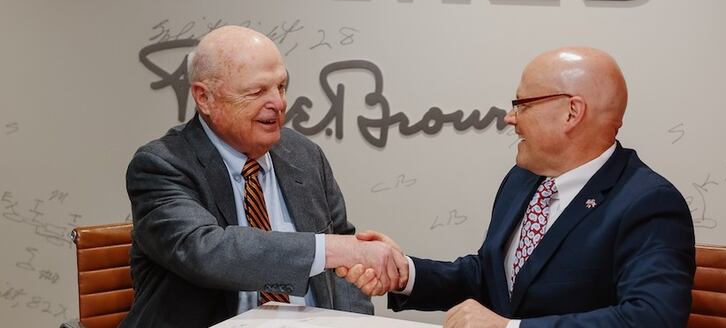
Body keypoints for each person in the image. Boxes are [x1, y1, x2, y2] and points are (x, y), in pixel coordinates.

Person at [339, 47, 696, 327]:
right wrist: (405, 273)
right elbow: (489, 276)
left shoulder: (649, 204)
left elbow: (651, 319)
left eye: (522, 104)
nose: (510, 118)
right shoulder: (523, 179)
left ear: (572, 112)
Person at [121, 25, 407, 327]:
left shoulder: (305, 155)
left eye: (281, 87)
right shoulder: (161, 164)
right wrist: (335, 249)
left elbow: (344, 272)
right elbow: (206, 251)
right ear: (204, 98)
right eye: (258, 91)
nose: (279, 103)